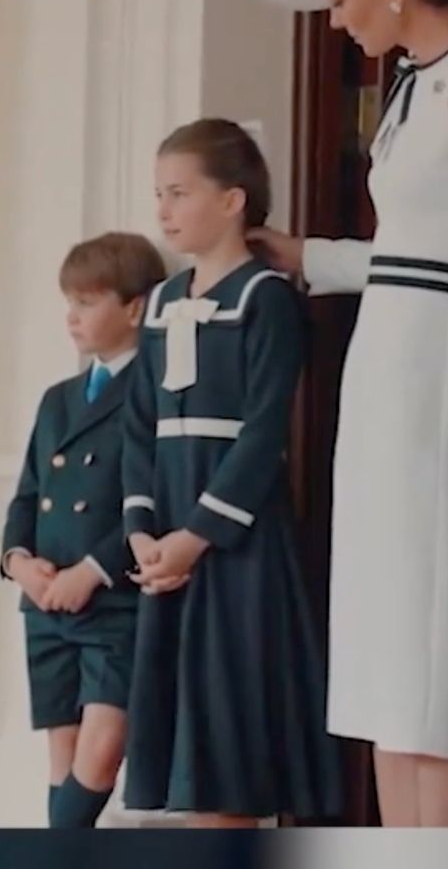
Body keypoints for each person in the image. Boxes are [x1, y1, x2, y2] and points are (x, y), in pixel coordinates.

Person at [250, 0, 448, 827]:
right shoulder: (409, 90)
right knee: (385, 640)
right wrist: (306, 255)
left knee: (427, 640)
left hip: (441, 375)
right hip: (390, 365)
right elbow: (412, 253)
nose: (336, 17)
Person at [122, 118, 340, 828]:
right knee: (186, 742)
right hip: (167, 541)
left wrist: (196, 537)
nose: (164, 210)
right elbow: (139, 425)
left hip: (234, 542)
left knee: (232, 735)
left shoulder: (265, 299)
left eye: (179, 192)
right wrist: (142, 531)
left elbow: (263, 432)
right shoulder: (159, 302)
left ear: (233, 200)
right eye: (159, 194)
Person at [0, 231, 165, 828]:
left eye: (88, 301)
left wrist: (91, 573)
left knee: (99, 757)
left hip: (112, 599)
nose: (72, 316)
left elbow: (154, 503)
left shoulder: (154, 396)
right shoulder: (58, 399)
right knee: (62, 759)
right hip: (46, 603)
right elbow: (25, 496)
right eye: (69, 301)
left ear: (134, 307)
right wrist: (19, 561)